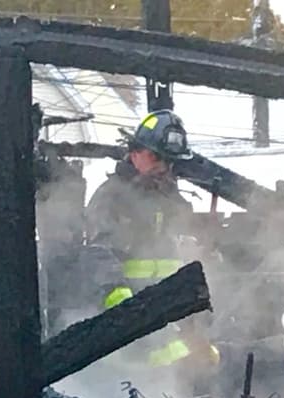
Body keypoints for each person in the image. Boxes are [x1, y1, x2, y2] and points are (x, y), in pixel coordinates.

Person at [85, 110, 212, 369]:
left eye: (169, 161)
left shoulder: (177, 205)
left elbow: (187, 266)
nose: (163, 167)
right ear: (134, 153)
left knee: (184, 383)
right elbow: (97, 257)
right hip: (128, 325)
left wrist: (197, 334)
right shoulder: (111, 198)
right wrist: (126, 308)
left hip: (169, 320)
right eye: (155, 157)